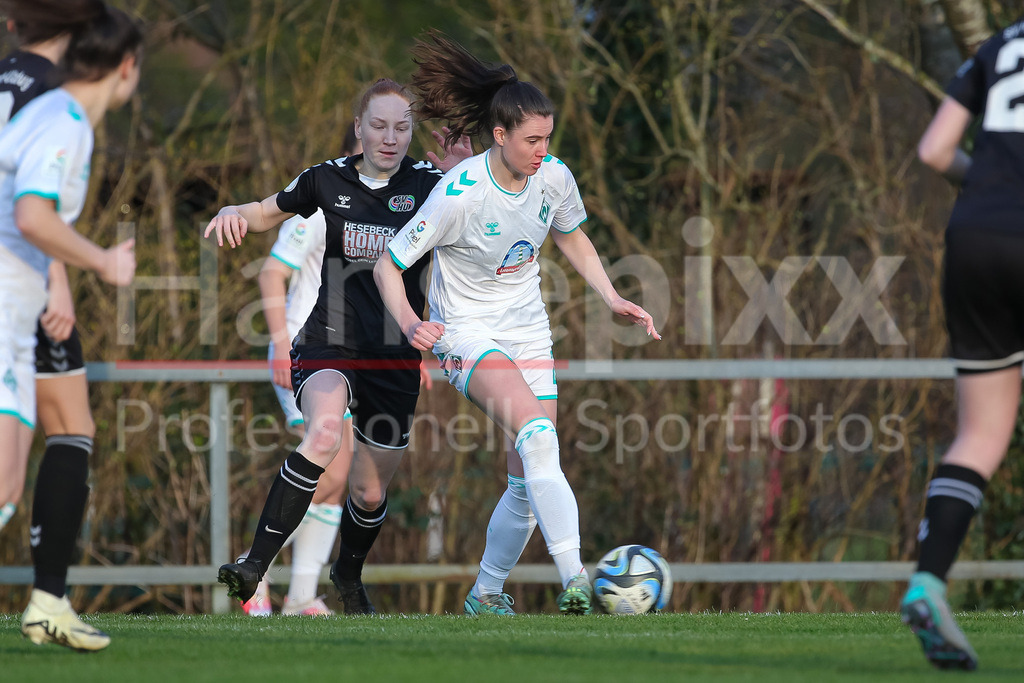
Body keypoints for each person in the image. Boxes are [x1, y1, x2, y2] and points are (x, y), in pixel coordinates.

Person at [374, 33, 661, 616]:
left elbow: (571, 234)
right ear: (499, 136)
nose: (541, 151)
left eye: (547, 138)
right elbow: (389, 262)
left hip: (527, 328)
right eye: (531, 140)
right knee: (537, 434)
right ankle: (576, 577)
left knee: (531, 476)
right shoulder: (459, 195)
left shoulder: (552, 177)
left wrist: (611, 297)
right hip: (464, 331)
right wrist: (409, 322)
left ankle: (485, 593)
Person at [206, 78, 470, 614]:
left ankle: (347, 576)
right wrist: (235, 209)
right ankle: (253, 568)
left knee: (369, 493)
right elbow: (264, 210)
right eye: (378, 125)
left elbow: (490, 200)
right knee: (324, 434)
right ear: (359, 127)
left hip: (396, 354)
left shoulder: (429, 183)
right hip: (329, 341)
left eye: (401, 127)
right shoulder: (326, 180)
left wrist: (465, 168)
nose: (390, 137)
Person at [0, 3, 140, 650]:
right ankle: (48, 603)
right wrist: (100, 261)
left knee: (13, 475)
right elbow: (32, 215)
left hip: (19, 309)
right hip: (8, 305)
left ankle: (48, 605)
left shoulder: (34, 104)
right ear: (125, 67)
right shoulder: (64, 116)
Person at [899, 17, 1024, 672]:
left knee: (980, 433)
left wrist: (991, 189)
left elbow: (935, 150)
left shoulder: (1000, 45)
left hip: (974, 236)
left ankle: (928, 583)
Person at [240, 125, 362, 617]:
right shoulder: (322, 204)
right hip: (303, 353)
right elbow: (273, 270)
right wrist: (276, 343)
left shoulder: (381, 211)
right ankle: (259, 567)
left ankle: (300, 595)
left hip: (343, 358)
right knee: (325, 461)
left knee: (336, 474)